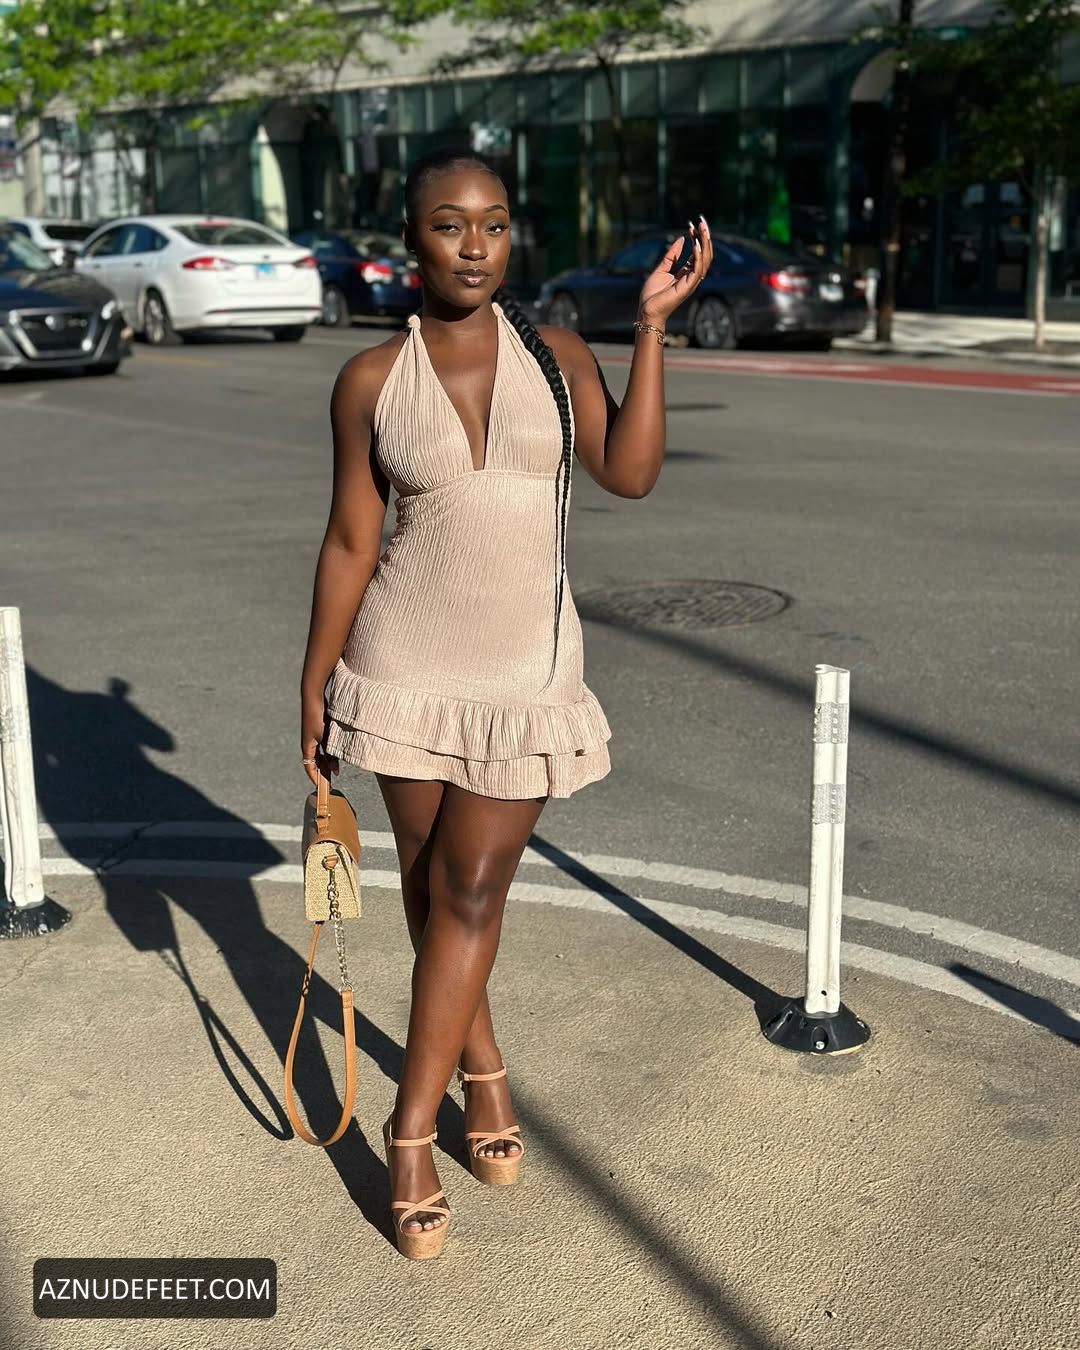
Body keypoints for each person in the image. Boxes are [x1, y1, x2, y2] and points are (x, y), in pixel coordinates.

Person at [300, 147, 712, 1259]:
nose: (475, 245)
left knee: (473, 887)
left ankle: (407, 1136)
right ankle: (482, 1074)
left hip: (525, 671)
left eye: (493, 222)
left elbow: (631, 473)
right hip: (401, 661)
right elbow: (352, 540)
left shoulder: (558, 353)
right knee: (430, 891)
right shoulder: (372, 380)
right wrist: (313, 683)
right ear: (413, 242)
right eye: (449, 224)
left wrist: (652, 327)